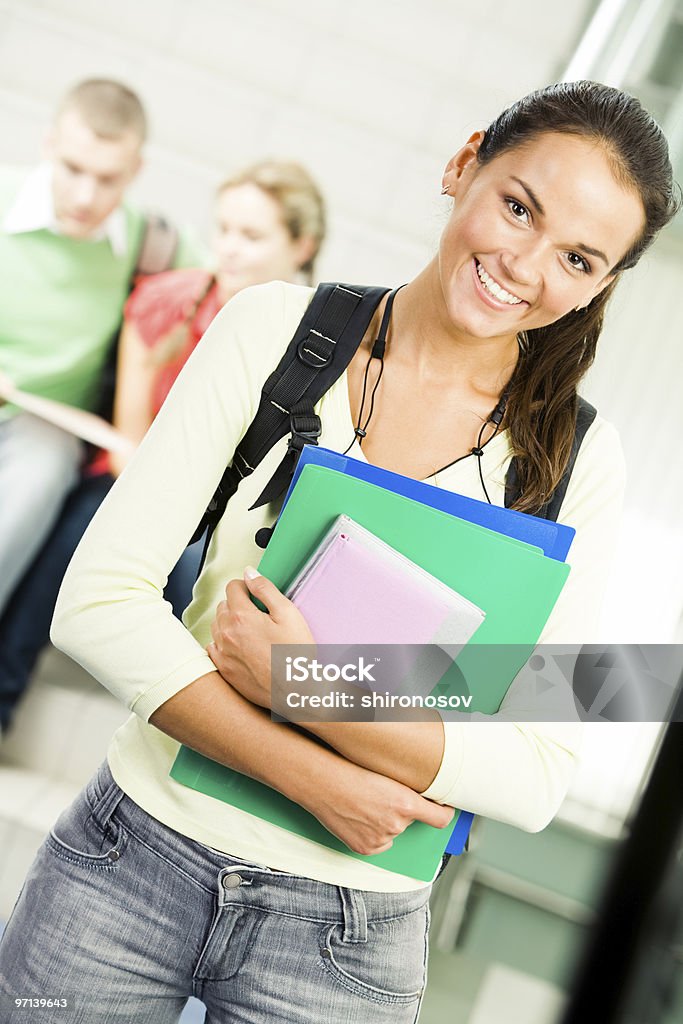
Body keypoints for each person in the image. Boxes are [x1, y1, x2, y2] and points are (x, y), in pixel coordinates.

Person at [1, 82, 679, 1023]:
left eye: (576, 257)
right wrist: (319, 775)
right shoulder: (277, 330)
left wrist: (303, 682)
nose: (522, 265)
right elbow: (98, 602)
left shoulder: (574, 459)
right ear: (462, 164)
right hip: (130, 864)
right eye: (517, 205)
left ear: (601, 284)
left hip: (347, 941)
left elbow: (536, 766)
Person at [0, 160, 326, 735]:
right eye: (222, 229)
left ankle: (194, 738)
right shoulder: (164, 300)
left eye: (250, 237)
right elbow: (129, 441)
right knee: (86, 532)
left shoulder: (320, 344)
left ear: (302, 246)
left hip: (230, 516)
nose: (226, 249)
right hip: (141, 481)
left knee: (202, 574)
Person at [0, 77, 196, 616]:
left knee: (40, 469)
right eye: (73, 169)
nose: (85, 197)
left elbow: (231, 288)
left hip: (41, 427)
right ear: (49, 147)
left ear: (135, 171)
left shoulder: (154, 245)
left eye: (107, 178)